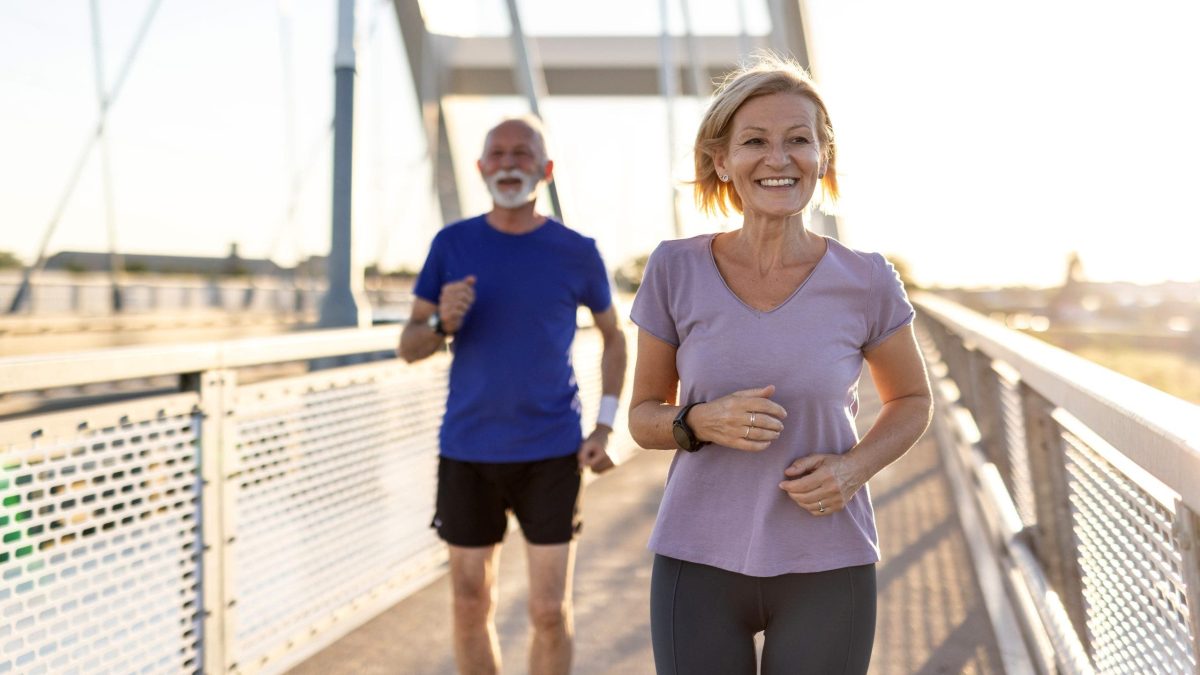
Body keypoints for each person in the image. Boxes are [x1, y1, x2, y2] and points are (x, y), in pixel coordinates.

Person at [627, 54, 933, 675]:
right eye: (755, 142)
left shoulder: (868, 279)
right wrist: (700, 421)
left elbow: (912, 401)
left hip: (828, 559)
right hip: (697, 558)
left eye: (799, 141)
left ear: (824, 159)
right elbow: (642, 417)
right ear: (722, 161)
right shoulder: (673, 269)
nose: (779, 158)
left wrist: (853, 469)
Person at [399, 116, 627, 675]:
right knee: (471, 601)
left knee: (549, 610)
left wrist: (603, 426)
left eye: (522, 153)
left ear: (545, 171)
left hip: (550, 452)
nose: (508, 162)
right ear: (480, 169)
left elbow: (614, 336)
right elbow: (409, 345)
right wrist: (439, 325)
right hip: (467, 450)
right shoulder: (451, 245)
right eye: (496, 153)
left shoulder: (577, 251)